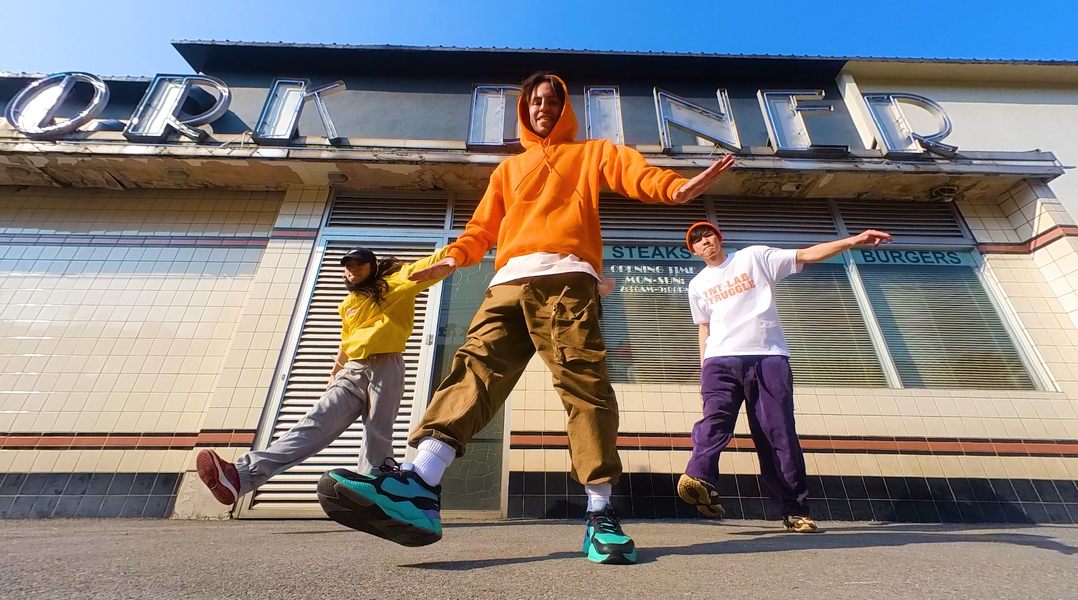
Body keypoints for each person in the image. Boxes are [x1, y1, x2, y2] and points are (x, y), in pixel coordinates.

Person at [316, 71, 735, 564]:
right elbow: (480, 228)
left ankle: (600, 513)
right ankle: (421, 485)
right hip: (507, 283)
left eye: (552, 101)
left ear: (565, 108)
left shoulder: (591, 152)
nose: (543, 108)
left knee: (585, 386)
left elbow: (635, 173)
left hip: (567, 279)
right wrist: (453, 258)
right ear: (524, 109)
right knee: (474, 370)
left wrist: (675, 190)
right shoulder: (507, 170)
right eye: (535, 101)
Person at [677, 221, 891, 532]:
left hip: (767, 357)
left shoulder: (754, 257)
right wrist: (703, 367)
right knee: (714, 421)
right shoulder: (697, 284)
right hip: (719, 360)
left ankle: (794, 510)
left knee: (777, 433)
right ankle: (699, 477)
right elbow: (704, 328)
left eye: (708, 235)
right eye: (696, 241)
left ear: (719, 238)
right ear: (694, 251)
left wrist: (853, 240)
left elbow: (807, 254)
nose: (704, 242)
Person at [196, 246, 451, 508]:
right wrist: (334, 372)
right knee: (315, 423)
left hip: (386, 365)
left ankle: (377, 493)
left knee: (378, 434)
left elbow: (430, 263)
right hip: (353, 369)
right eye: (349, 267)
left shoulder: (395, 282)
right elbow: (346, 340)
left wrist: (457, 253)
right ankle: (241, 476)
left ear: (373, 266)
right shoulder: (348, 304)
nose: (353, 271)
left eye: (359, 265)